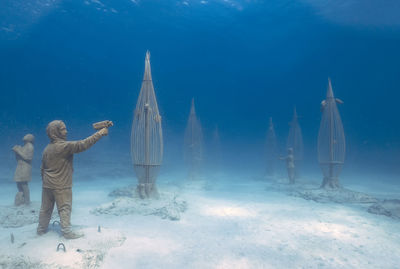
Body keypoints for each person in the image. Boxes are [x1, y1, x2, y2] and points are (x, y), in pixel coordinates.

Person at [37, 120, 111, 239]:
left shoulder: (47, 149)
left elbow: (42, 168)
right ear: (55, 132)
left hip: (47, 185)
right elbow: (83, 144)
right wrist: (100, 133)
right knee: (65, 208)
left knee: (45, 209)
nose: (66, 131)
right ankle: (66, 232)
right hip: (61, 185)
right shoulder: (64, 146)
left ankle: (41, 230)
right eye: (62, 129)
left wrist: (46, 182)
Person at [12, 134, 35, 206]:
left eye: (27, 135)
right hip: (20, 166)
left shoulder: (30, 146)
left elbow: (29, 158)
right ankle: (22, 199)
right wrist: (16, 151)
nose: (25, 136)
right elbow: (18, 159)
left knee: (24, 184)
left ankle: (27, 202)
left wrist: (18, 151)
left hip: (25, 167)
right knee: (18, 183)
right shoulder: (24, 146)